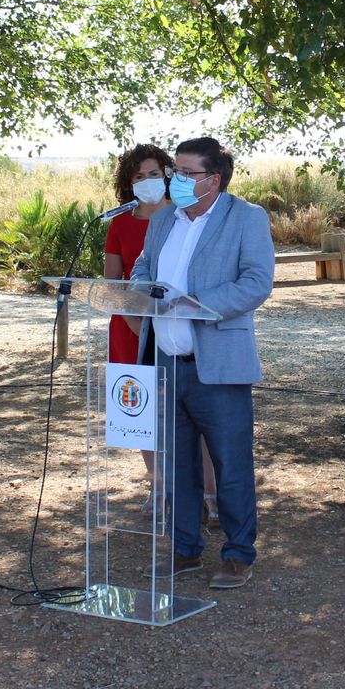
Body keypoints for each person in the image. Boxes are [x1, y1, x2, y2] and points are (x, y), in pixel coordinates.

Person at [129, 137, 274, 589]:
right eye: (175, 172)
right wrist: (137, 290)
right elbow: (142, 268)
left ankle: (237, 554)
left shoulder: (246, 218)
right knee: (176, 466)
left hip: (218, 363)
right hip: (166, 362)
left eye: (187, 174)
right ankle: (184, 549)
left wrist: (194, 304)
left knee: (231, 464)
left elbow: (256, 283)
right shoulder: (164, 219)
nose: (176, 181)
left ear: (213, 179)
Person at [103, 144, 222, 522]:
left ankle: (210, 493)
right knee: (142, 417)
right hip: (130, 331)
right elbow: (113, 286)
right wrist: (141, 328)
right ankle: (159, 488)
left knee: (192, 414)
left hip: (180, 332)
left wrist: (161, 326)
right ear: (128, 183)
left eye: (154, 174)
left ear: (168, 176)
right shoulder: (119, 224)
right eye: (139, 176)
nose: (147, 182)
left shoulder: (183, 216)